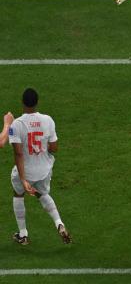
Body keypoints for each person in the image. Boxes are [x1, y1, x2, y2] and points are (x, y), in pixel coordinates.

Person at [8, 88, 71, 245]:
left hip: (26, 171)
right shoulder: (48, 120)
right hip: (44, 170)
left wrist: (23, 179)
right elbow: (54, 148)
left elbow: (18, 154)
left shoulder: (16, 124)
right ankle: (59, 223)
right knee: (42, 194)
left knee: (18, 194)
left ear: (22, 103)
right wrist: (43, 149)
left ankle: (23, 235)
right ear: (37, 103)